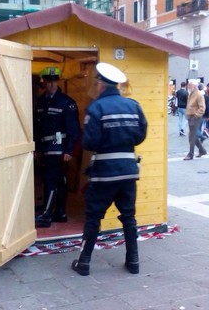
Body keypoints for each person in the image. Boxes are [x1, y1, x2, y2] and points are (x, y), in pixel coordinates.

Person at [71, 63, 147, 276]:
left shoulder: (96, 108)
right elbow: (141, 135)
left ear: (100, 85)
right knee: (129, 217)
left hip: (104, 173)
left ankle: (84, 262)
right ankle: (133, 262)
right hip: (129, 171)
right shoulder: (134, 106)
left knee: (94, 217)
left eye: (96, 83)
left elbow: (89, 142)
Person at [34, 67, 81, 228]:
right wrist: (37, 148)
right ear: (44, 83)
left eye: (54, 81)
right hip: (45, 149)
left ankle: (46, 215)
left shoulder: (67, 102)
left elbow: (74, 130)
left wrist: (69, 151)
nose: (52, 84)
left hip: (59, 150)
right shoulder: (41, 101)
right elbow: (36, 127)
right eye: (48, 81)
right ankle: (60, 212)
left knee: (51, 180)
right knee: (59, 181)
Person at [183, 79, 206, 160]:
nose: (188, 86)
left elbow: (202, 108)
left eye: (190, 85)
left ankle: (190, 154)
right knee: (193, 136)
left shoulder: (199, 94)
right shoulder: (191, 94)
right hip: (190, 117)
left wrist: (196, 115)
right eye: (188, 85)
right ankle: (202, 150)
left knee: (191, 137)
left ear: (195, 86)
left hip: (195, 118)